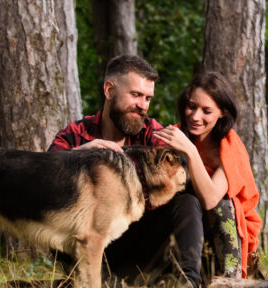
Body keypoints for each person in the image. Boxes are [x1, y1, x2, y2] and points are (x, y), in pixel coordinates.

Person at [48, 55, 204, 288]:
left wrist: (190, 153)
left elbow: (185, 183)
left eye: (147, 98)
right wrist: (78, 155)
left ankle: (187, 283)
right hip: (88, 244)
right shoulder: (76, 134)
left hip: (137, 240)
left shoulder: (152, 135)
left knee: (187, 202)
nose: (142, 105)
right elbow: (44, 180)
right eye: (135, 95)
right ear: (109, 90)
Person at [153, 71, 262, 279]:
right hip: (185, 229)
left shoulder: (229, 147)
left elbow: (211, 199)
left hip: (224, 229)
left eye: (206, 111)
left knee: (222, 204)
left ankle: (231, 279)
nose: (195, 117)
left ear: (222, 113)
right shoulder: (177, 135)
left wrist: (191, 152)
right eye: (191, 106)